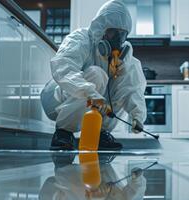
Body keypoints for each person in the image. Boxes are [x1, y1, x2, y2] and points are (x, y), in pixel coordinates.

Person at [40, 0, 147, 151]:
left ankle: (99, 133)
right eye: (113, 32)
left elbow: (132, 88)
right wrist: (90, 92)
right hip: (57, 101)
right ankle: (64, 132)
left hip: (89, 100)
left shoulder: (124, 59)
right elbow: (64, 69)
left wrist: (138, 116)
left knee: (121, 78)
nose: (118, 39)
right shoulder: (80, 39)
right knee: (97, 74)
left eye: (122, 34)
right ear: (100, 28)